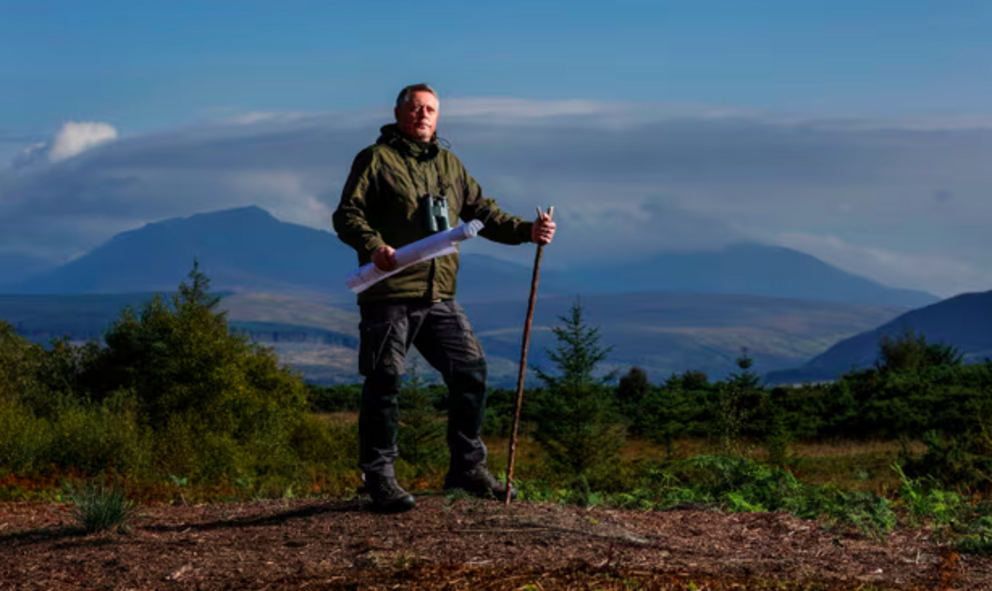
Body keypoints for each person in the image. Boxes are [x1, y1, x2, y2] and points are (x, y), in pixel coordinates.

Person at [333, 83, 556, 512]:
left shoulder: (450, 165)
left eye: (431, 109)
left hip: (439, 294)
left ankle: (467, 470)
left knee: (470, 371)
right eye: (415, 108)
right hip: (389, 291)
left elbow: (483, 214)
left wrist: (528, 232)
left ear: (439, 117)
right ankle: (379, 477)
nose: (423, 115)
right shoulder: (376, 159)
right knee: (385, 383)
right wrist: (374, 246)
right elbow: (347, 214)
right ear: (398, 113)